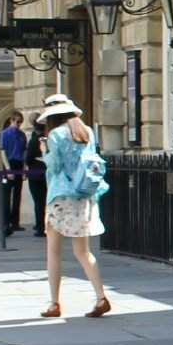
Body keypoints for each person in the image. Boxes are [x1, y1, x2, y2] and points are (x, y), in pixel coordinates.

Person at [38, 93, 112, 319]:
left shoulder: (55, 135)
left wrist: (44, 153)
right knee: (83, 251)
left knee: (53, 252)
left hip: (61, 197)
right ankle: (101, 297)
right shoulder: (86, 131)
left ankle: (54, 303)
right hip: (84, 195)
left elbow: (55, 166)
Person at [0, 112, 29, 233]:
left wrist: (24, 168)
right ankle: (5, 222)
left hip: (19, 163)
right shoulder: (5, 133)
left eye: (21, 122)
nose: (19, 124)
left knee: (17, 194)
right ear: (12, 120)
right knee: (6, 195)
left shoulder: (22, 134)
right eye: (17, 122)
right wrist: (8, 168)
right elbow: (3, 151)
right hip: (9, 162)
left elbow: (24, 152)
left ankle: (15, 221)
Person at [25, 111, 50, 237]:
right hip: (47, 173)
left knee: (38, 202)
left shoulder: (34, 141)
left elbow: (28, 159)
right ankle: (47, 225)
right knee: (47, 201)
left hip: (35, 174)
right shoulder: (48, 140)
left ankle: (40, 227)